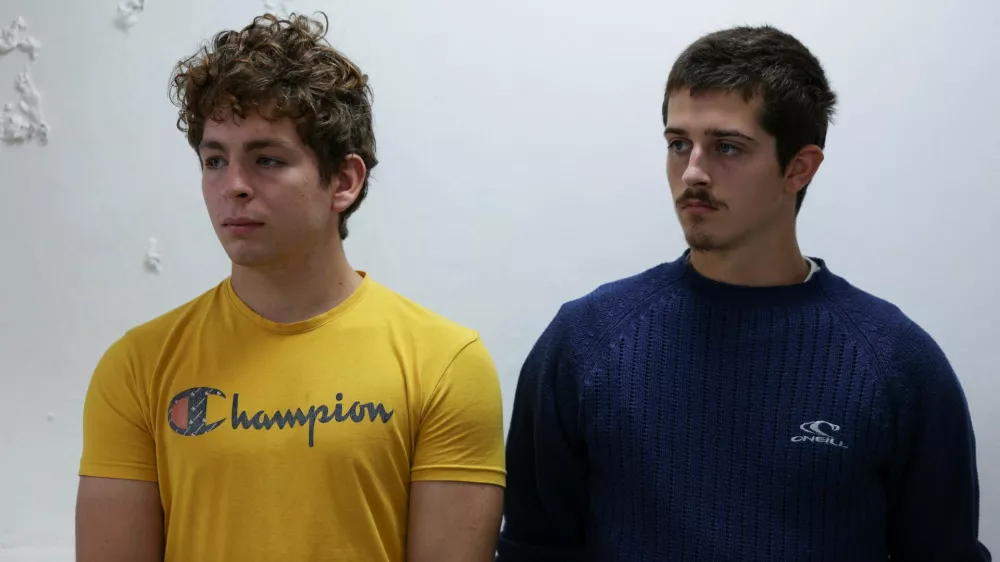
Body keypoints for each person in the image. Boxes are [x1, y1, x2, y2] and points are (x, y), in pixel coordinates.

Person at [497, 24, 990, 561]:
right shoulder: (585, 342)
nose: (692, 173)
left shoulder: (896, 363)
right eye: (678, 144)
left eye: (727, 147)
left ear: (798, 168)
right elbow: (533, 548)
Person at [75, 13, 505, 562]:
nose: (232, 186)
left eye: (267, 160)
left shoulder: (446, 363)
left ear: (344, 181)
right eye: (214, 160)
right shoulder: (136, 366)